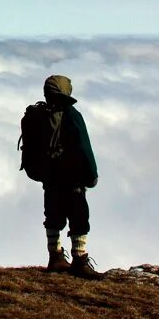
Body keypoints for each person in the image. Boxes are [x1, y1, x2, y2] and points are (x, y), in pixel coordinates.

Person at [38, 74, 104, 279]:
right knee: (79, 217)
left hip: (49, 177)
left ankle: (55, 257)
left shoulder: (39, 114)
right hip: (72, 177)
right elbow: (84, 147)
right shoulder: (71, 114)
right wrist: (91, 176)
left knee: (53, 215)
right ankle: (79, 260)